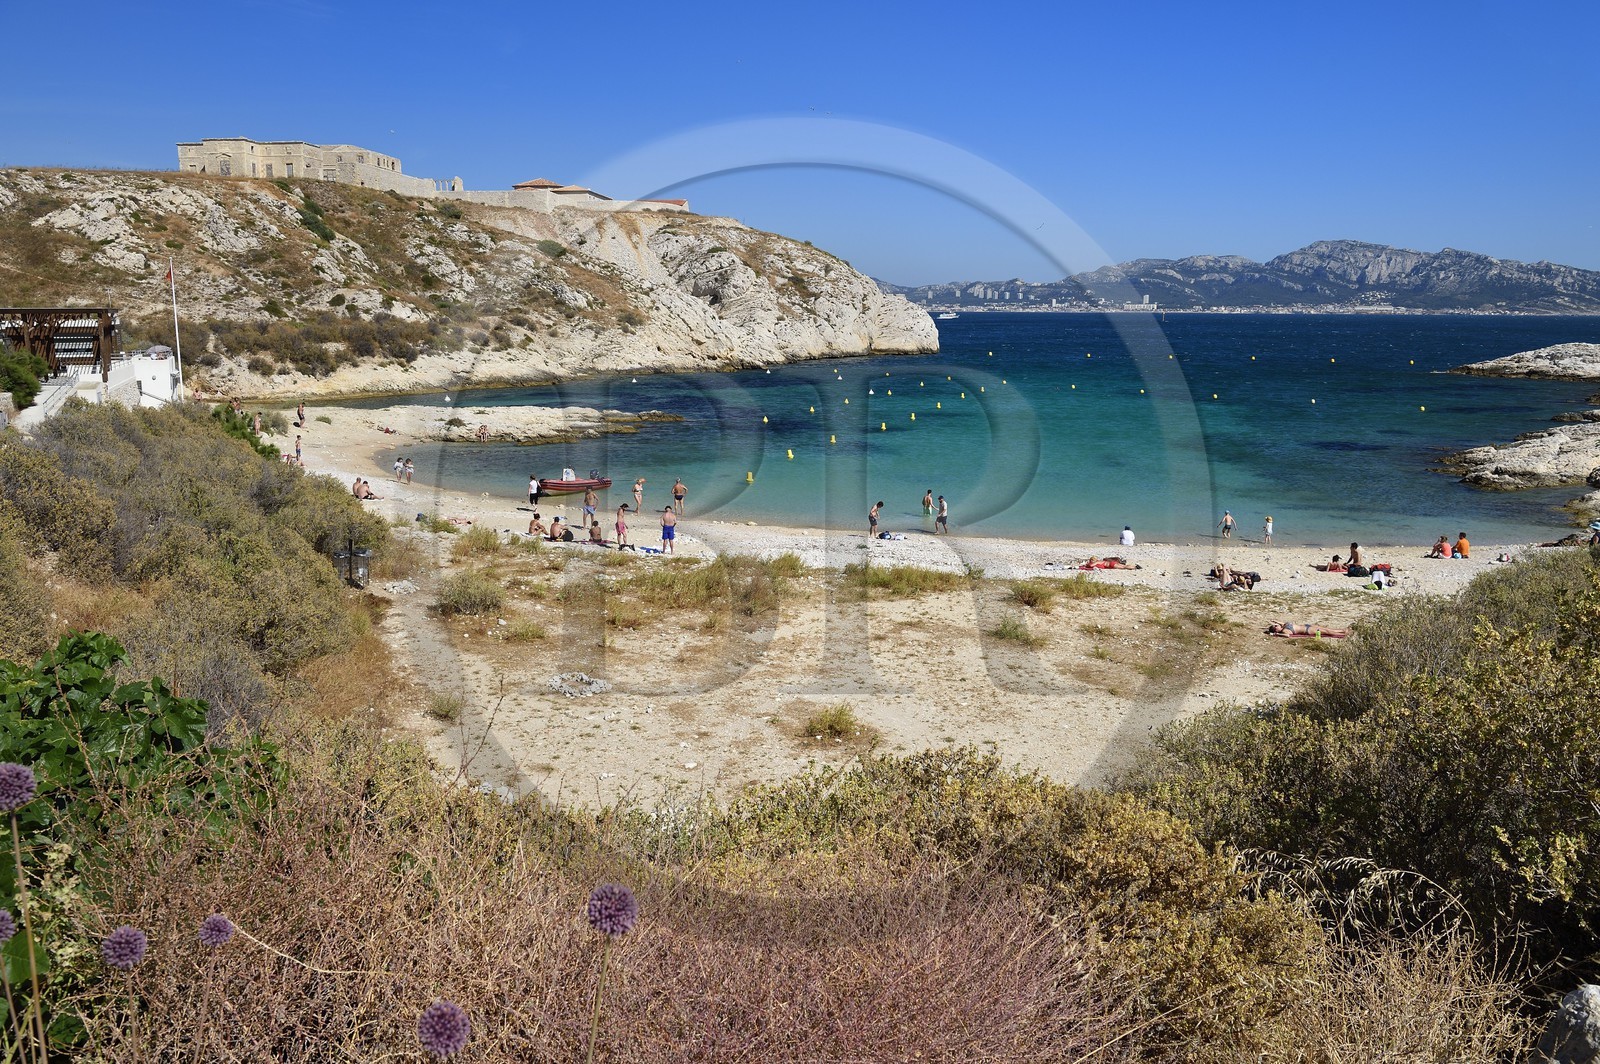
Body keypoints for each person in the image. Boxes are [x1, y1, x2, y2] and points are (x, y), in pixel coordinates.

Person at [1267, 622, 1351, 638]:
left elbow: (1281, 622)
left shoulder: (1284, 625)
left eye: (1275, 625)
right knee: (1326, 632)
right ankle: (1343, 634)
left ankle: (1342, 630)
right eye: (1275, 626)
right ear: (1276, 630)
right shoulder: (1285, 631)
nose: (1276, 625)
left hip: (1307, 626)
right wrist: (1276, 635)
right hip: (1307, 631)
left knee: (1326, 629)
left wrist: (1274, 621)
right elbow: (1287, 636)